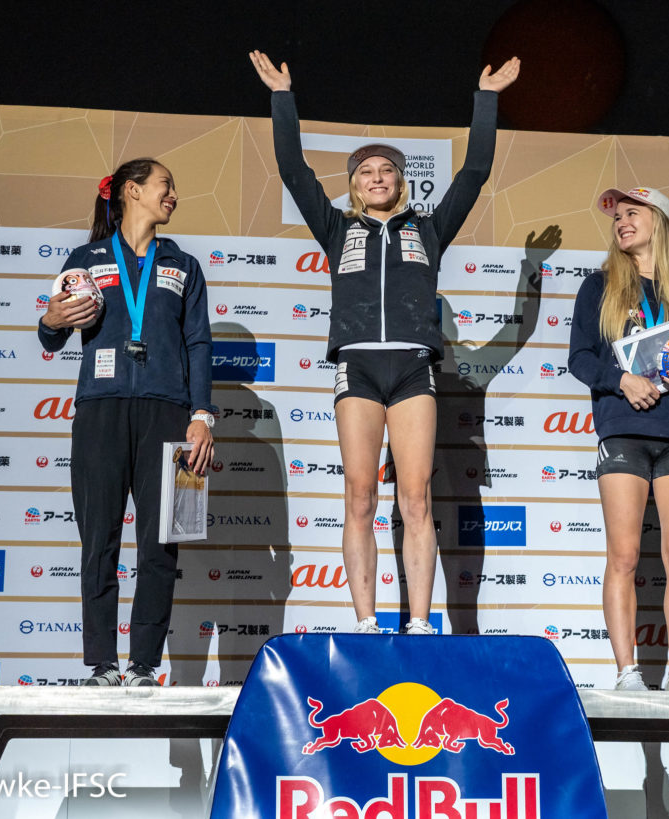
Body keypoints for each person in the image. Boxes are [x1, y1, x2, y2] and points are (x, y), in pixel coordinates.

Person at [250, 50, 519, 635]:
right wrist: (282, 98)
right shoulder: (336, 227)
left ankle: (421, 622)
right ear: (353, 185)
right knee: (360, 496)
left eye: (388, 171)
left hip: (413, 369)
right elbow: (294, 170)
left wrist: (486, 99)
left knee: (417, 498)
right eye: (367, 171)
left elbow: (473, 173)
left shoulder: (429, 229)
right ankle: (367, 621)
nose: (377, 177)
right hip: (358, 369)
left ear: (402, 182)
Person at [38, 158, 215, 685]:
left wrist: (202, 415)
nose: (174, 195)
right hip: (100, 411)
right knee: (99, 540)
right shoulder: (85, 260)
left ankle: (143, 665)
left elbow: (199, 343)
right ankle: (102, 665)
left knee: (162, 542)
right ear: (132, 192)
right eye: (166, 185)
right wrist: (50, 319)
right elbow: (51, 335)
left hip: (169, 415)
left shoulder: (183, 265)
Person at [568, 186, 669, 691]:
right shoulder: (599, 286)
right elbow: (580, 358)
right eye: (617, 217)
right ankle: (626, 672)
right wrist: (622, 381)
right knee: (624, 556)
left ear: (660, 220)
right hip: (623, 430)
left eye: (633, 213)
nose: (621, 222)